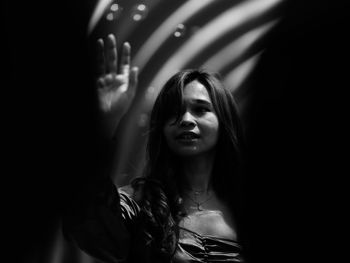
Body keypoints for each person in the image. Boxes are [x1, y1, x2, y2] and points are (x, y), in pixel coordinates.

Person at [63, 34, 246, 263]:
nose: (186, 119)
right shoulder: (141, 202)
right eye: (174, 112)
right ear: (161, 128)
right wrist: (104, 123)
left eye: (201, 109)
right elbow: (85, 218)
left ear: (224, 120)